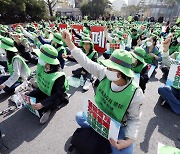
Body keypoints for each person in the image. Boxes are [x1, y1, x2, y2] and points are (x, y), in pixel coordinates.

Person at [62, 30, 144, 154]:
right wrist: (69, 43)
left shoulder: (135, 94)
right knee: (79, 117)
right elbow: (87, 62)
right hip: (100, 117)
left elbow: (134, 119)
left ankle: (104, 138)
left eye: (111, 68)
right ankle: (102, 137)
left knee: (126, 151)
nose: (107, 69)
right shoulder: (105, 73)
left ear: (121, 73)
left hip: (118, 125)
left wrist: (128, 140)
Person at [27, 44, 69, 124]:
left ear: (48, 60)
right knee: (29, 96)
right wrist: (19, 44)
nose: (38, 58)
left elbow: (58, 93)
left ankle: (47, 110)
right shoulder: (43, 64)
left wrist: (43, 104)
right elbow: (30, 58)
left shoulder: (59, 75)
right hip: (43, 89)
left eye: (41, 57)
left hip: (55, 95)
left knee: (45, 104)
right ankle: (44, 107)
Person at [158, 38, 180, 114]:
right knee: (162, 89)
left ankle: (170, 102)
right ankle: (177, 105)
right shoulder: (177, 59)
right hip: (173, 88)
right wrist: (165, 49)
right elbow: (166, 60)